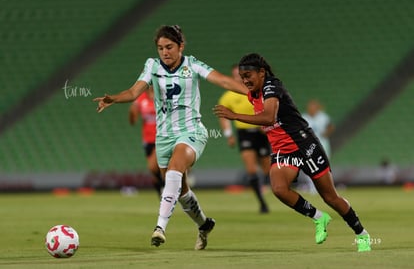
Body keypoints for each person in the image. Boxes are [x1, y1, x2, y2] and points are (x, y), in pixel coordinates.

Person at [94, 25, 248, 250]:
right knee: (181, 190)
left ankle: (160, 228)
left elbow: (223, 81)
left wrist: (253, 93)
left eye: (169, 47)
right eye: (160, 48)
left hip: (191, 132)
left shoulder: (192, 64)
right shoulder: (152, 66)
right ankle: (204, 224)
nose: (164, 52)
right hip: (164, 137)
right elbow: (134, 92)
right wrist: (114, 99)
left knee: (175, 170)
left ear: (180, 47)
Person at [214, 53, 371, 252]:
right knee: (279, 189)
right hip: (282, 150)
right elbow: (225, 82)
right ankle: (318, 217)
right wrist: (196, 67)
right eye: (242, 77)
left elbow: (269, 117)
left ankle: (361, 234)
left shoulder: (272, 86)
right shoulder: (252, 89)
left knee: (330, 197)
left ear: (261, 73)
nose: (245, 81)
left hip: (304, 145)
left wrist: (234, 116)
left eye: (248, 75)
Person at [218, 64, 270, 213]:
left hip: (261, 132)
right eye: (235, 75)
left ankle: (272, 188)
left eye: (241, 75)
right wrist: (229, 135)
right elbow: (223, 117)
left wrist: (265, 123)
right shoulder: (228, 96)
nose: (238, 78)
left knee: (267, 168)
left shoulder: (257, 91)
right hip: (244, 133)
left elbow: (269, 107)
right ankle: (262, 203)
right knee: (251, 169)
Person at [129, 86, 164, 197]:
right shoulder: (141, 98)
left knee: (153, 167)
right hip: (147, 139)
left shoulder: (163, 96)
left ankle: (168, 190)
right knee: (154, 174)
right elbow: (133, 121)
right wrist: (132, 113)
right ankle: (162, 195)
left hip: (162, 137)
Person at [300, 99, 335, 194]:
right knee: (309, 165)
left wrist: (326, 133)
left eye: (314, 107)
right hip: (309, 145)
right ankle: (312, 187)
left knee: (324, 166)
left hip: (323, 144)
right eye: (310, 107)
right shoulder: (304, 117)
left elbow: (331, 126)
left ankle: (327, 186)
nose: (312, 109)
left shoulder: (323, 117)